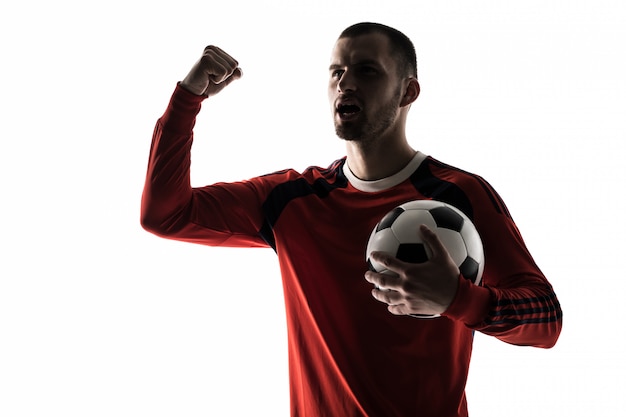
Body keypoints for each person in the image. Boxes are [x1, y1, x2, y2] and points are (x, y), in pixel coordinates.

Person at [141, 22, 562, 417]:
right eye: (336, 72)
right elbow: (165, 214)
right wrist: (187, 97)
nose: (345, 82)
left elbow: (547, 320)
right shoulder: (292, 199)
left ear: (407, 92)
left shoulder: (457, 196)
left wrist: (458, 299)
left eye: (367, 70)